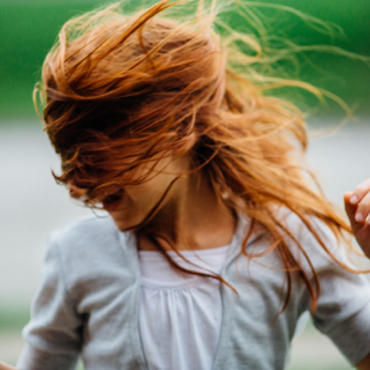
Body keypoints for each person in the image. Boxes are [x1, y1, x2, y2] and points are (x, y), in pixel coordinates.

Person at [4, 0, 370, 369]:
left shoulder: (290, 242)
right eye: (68, 157)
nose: (78, 185)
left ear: (181, 128)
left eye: (100, 158)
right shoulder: (75, 256)